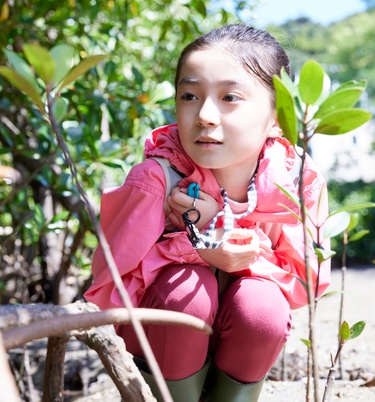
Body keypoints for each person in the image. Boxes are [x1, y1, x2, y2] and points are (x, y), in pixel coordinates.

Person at [84, 24, 331, 402]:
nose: (205, 115)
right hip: (164, 345)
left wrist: (222, 230)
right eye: (189, 95)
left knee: (260, 306)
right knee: (187, 291)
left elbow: (307, 280)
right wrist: (196, 251)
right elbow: (109, 285)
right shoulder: (158, 179)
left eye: (230, 96)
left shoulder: (294, 181)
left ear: (278, 116)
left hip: (241, 341)